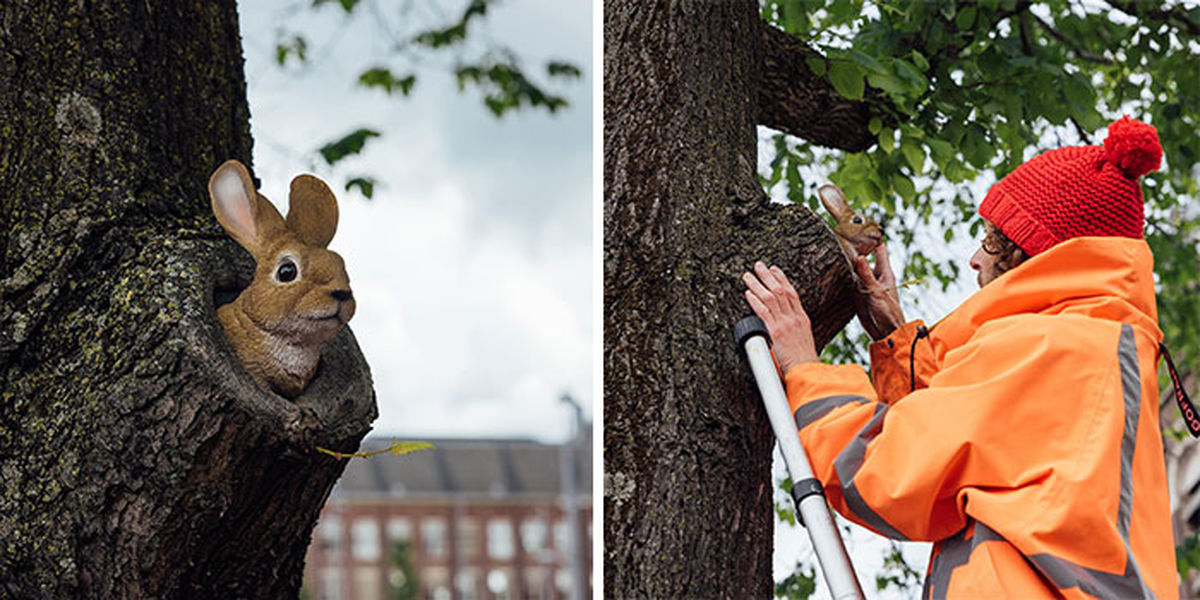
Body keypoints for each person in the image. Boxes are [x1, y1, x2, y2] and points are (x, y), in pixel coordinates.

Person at [743, 116, 1177, 599]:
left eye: (993, 239)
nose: (975, 257)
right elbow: (975, 450)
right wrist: (897, 337)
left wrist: (805, 370)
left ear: (1034, 254)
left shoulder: (1057, 345)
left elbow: (890, 471)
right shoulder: (1093, 347)